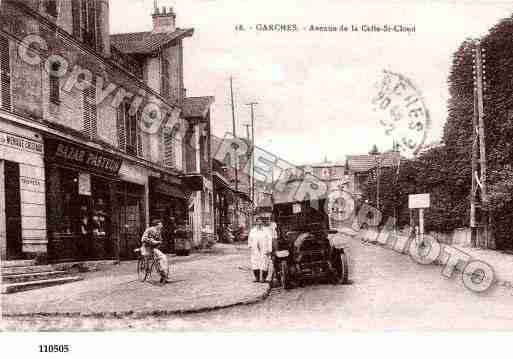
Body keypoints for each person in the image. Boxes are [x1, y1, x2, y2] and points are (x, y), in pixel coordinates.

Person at [141, 219, 170, 283]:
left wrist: (160, 242)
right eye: (161, 224)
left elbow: (159, 240)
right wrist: (154, 242)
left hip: (153, 249)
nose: (162, 225)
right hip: (146, 247)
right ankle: (146, 271)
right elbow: (143, 238)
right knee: (147, 257)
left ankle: (164, 275)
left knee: (163, 258)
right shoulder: (149, 230)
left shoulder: (159, 231)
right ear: (157, 225)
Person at [248, 216, 273, 282]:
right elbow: (250, 239)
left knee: (264, 263)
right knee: (255, 263)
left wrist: (269, 249)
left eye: (260, 221)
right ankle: (257, 277)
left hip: (264, 248)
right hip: (255, 249)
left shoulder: (266, 230)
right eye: (257, 221)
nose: (259, 223)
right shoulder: (253, 230)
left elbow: (270, 240)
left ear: (262, 222)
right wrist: (250, 246)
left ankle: (264, 278)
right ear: (255, 222)